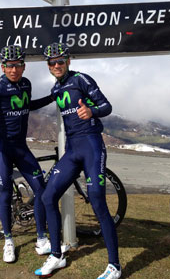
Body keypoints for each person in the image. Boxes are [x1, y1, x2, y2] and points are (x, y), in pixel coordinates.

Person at [35, 42, 121, 279]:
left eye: (60, 61)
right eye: (51, 63)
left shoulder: (82, 79)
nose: (56, 66)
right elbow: (40, 102)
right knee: (47, 196)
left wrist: (91, 111)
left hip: (92, 145)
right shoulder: (57, 87)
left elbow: (106, 106)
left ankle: (114, 265)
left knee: (97, 201)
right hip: (72, 150)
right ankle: (56, 255)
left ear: (68, 61)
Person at [0, 45, 54, 263]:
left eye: (18, 66)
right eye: (9, 66)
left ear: (23, 67)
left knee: (41, 189)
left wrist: (52, 98)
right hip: (2, 148)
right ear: (3, 67)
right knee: (5, 190)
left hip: (21, 147)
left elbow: (28, 105)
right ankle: (8, 241)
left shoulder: (26, 84)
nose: (14, 70)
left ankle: (42, 239)